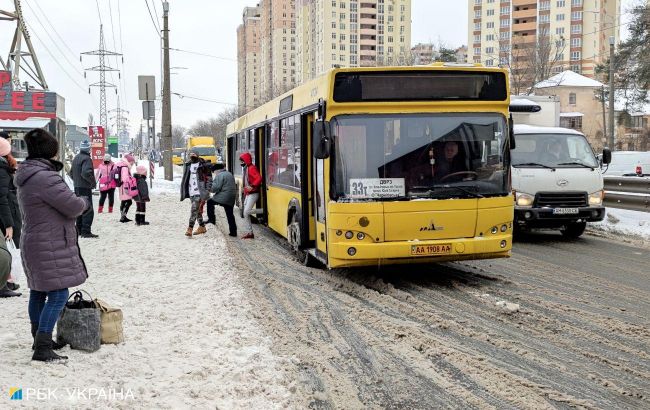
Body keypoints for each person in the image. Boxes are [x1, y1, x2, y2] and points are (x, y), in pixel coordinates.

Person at [15, 128, 90, 362]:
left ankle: (39, 338)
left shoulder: (27, 175)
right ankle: (43, 346)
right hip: (49, 242)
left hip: (34, 240)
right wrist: (84, 200)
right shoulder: (46, 177)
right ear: (51, 152)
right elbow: (73, 206)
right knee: (58, 293)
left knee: (38, 291)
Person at [0, 137, 22, 295]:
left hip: (9, 210)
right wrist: (8, 223)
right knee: (7, 248)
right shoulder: (2, 169)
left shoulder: (4, 167)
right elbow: (2, 198)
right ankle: (4, 283)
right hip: (6, 213)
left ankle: (7, 280)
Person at [181, 151, 212, 237]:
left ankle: (189, 228)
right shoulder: (188, 165)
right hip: (191, 191)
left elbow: (209, 179)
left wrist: (207, 190)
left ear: (197, 155)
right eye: (191, 154)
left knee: (194, 209)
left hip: (200, 191)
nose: (192, 156)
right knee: (197, 211)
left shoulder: (203, 165)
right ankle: (202, 227)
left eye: (194, 154)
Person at [71, 140, 98, 238]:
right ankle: (86, 231)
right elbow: (86, 173)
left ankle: (79, 230)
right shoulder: (86, 159)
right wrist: (92, 182)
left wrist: (77, 182)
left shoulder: (76, 158)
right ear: (88, 149)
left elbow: (71, 173)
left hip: (77, 187)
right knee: (88, 209)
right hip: (85, 188)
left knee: (80, 208)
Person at [206, 163, 237, 237]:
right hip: (231, 197)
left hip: (224, 196)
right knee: (230, 214)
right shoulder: (229, 173)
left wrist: (209, 187)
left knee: (210, 202)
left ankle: (211, 220)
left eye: (214, 172)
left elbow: (215, 188)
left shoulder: (220, 175)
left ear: (216, 170)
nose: (214, 173)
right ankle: (233, 231)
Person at [239, 152, 262, 239]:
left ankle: (263, 211)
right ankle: (249, 232)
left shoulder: (251, 168)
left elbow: (259, 178)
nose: (241, 163)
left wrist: (252, 186)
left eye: (242, 161)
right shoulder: (247, 168)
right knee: (245, 213)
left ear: (246, 160)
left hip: (253, 193)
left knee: (246, 212)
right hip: (249, 194)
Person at [117, 154, 136, 223]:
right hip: (125, 187)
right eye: (132, 162)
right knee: (128, 201)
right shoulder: (125, 167)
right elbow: (125, 179)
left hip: (122, 187)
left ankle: (123, 217)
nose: (133, 164)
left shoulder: (122, 165)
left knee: (124, 201)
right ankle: (123, 217)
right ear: (129, 161)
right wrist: (132, 179)